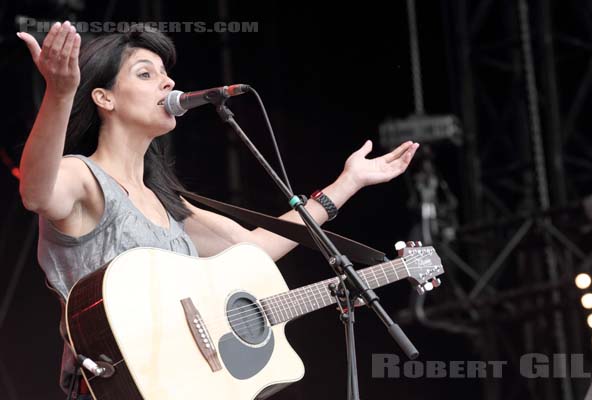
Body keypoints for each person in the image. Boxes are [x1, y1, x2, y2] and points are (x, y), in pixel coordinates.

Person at [16, 21, 419, 399]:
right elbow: (36, 192)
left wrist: (347, 183)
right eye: (145, 73)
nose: (168, 82)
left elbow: (252, 250)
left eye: (165, 73)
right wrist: (60, 92)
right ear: (104, 98)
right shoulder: (83, 177)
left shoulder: (169, 203)